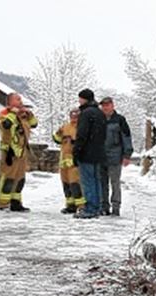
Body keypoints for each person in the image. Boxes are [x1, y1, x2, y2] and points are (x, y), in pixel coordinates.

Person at [0, 93, 38, 212]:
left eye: (20, 99)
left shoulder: (23, 115)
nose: (20, 101)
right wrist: (14, 113)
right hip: (9, 151)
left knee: (20, 178)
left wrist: (29, 114)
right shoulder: (4, 114)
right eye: (17, 99)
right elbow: (5, 125)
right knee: (8, 178)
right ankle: (3, 203)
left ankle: (16, 202)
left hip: (22, 152)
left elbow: (34, 124)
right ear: (9, 102)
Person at [72, 89, 106, 219]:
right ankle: (97, 207)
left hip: (86, 152)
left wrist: (77, 151)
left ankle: (90, 208)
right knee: (97, 180)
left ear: (84, 99)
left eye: (80, 98)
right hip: (98, 152)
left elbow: (82, 134)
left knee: (87, 181)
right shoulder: (100, 113)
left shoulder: (86, 114)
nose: (79, 100)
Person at [98, 96, 133, 217]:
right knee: (102, 183)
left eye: (107, 105)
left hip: (115, 156)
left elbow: (126, 137)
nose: (105, 107)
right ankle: (104, 207)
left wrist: (127, 155)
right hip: (100, 156)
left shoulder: (120, 120)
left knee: (115, 183)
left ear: (112, 105)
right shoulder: (98, 119)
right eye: (103, 105)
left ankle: (116, 207)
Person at [53, 108, 85, 214]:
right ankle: (70, 205)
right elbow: (57, 140)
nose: (74, 117)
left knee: (75, 183)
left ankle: (80, 205)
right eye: (72, 115)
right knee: (65, 183)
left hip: (74, 159)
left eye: (76, 115)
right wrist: (58, 134)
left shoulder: (81, 127)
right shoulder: (65, 127)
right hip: (64, 159)